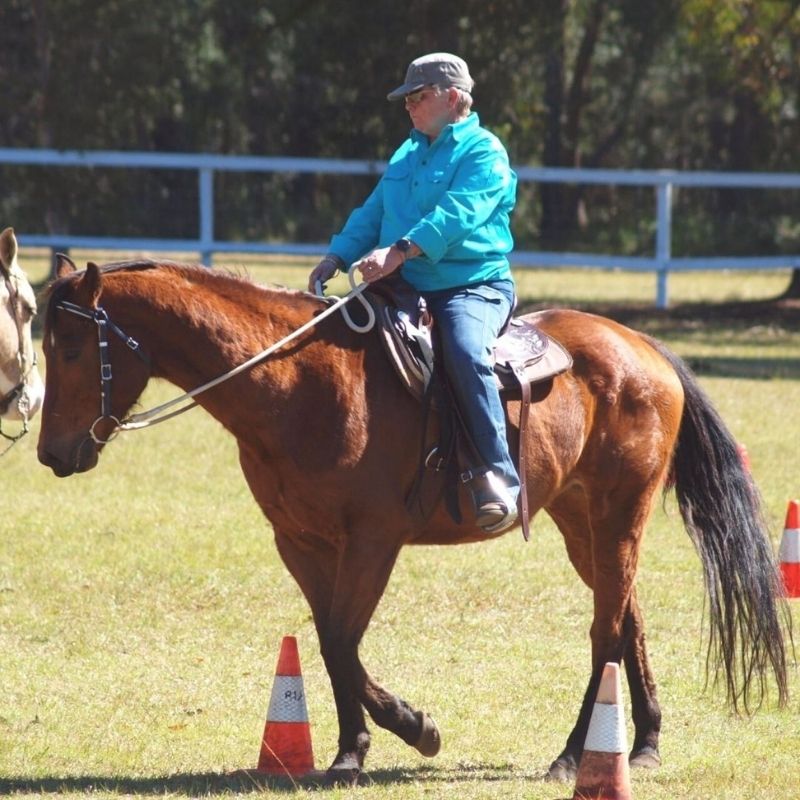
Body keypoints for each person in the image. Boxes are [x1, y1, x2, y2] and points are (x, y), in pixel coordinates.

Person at [308, 52, 519, 533]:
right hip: (404, 284)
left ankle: (500, 476)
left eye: (417, 97)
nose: (408, 106)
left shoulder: (484, 152)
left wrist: (399, 252)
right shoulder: (407, 153)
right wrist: (336, 256)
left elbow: (458, 215)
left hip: (472, 285)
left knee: (465, 353)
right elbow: (373, 210)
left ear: (451, 98)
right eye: (406, 99)